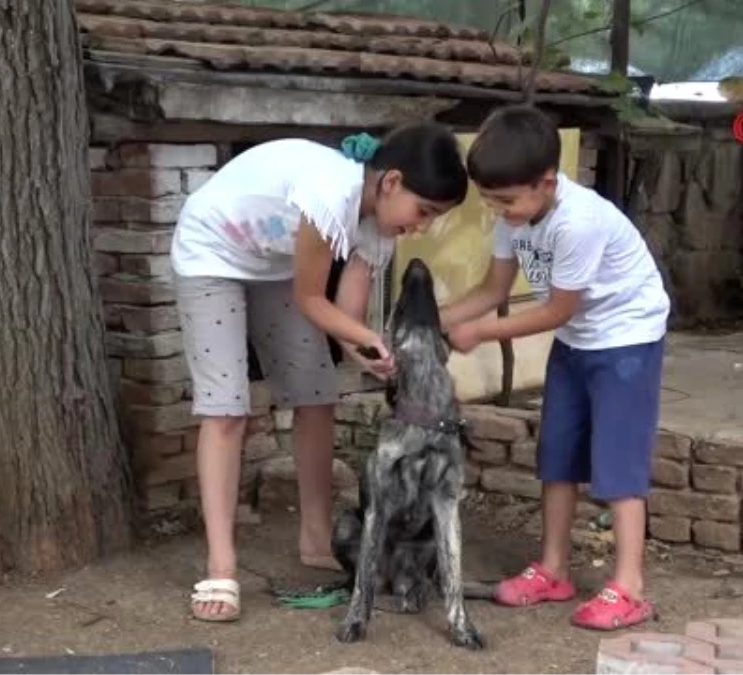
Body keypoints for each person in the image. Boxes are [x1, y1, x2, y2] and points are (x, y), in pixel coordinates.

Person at [171, 123, 469, 622]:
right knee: (226, 408)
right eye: (425, 212)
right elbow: (312, 299)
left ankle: (315, 537)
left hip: (274, 265)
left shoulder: (380, 227)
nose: (423, 227)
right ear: (391, 182)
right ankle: (221, 566)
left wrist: (365, 349)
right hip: (212, 251)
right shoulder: (331, 194)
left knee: (316, 393)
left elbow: (343, 315)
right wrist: (364, 338)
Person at [440, 105, 670, 631]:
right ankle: (553, 569)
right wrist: (430, 321)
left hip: (625, 340)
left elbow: (555, 310)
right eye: (491, 200)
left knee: (618, 463)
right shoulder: (514, 217)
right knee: (557, 456)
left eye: (506, 199)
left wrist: (477, 333)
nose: (499, 210)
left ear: (546, 183)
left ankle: (629, 586)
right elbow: (492, 292)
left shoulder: (578, 222)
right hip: (577, 341)